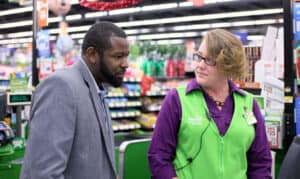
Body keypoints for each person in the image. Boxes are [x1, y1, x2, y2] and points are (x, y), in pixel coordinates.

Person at [148, 29, 272, 179]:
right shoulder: (177, 99)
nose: (200, 65)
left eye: (209, 60)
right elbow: (158, 156)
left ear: (228, 64)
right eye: (199, 57)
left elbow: (260, 162)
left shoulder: (249, 103)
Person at [21, 21, 130, 179]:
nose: (125, 64)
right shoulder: (61, 86)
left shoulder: (98, 90)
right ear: (92, 55)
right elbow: (42, 173)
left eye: (126, 56)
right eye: (118, 56)